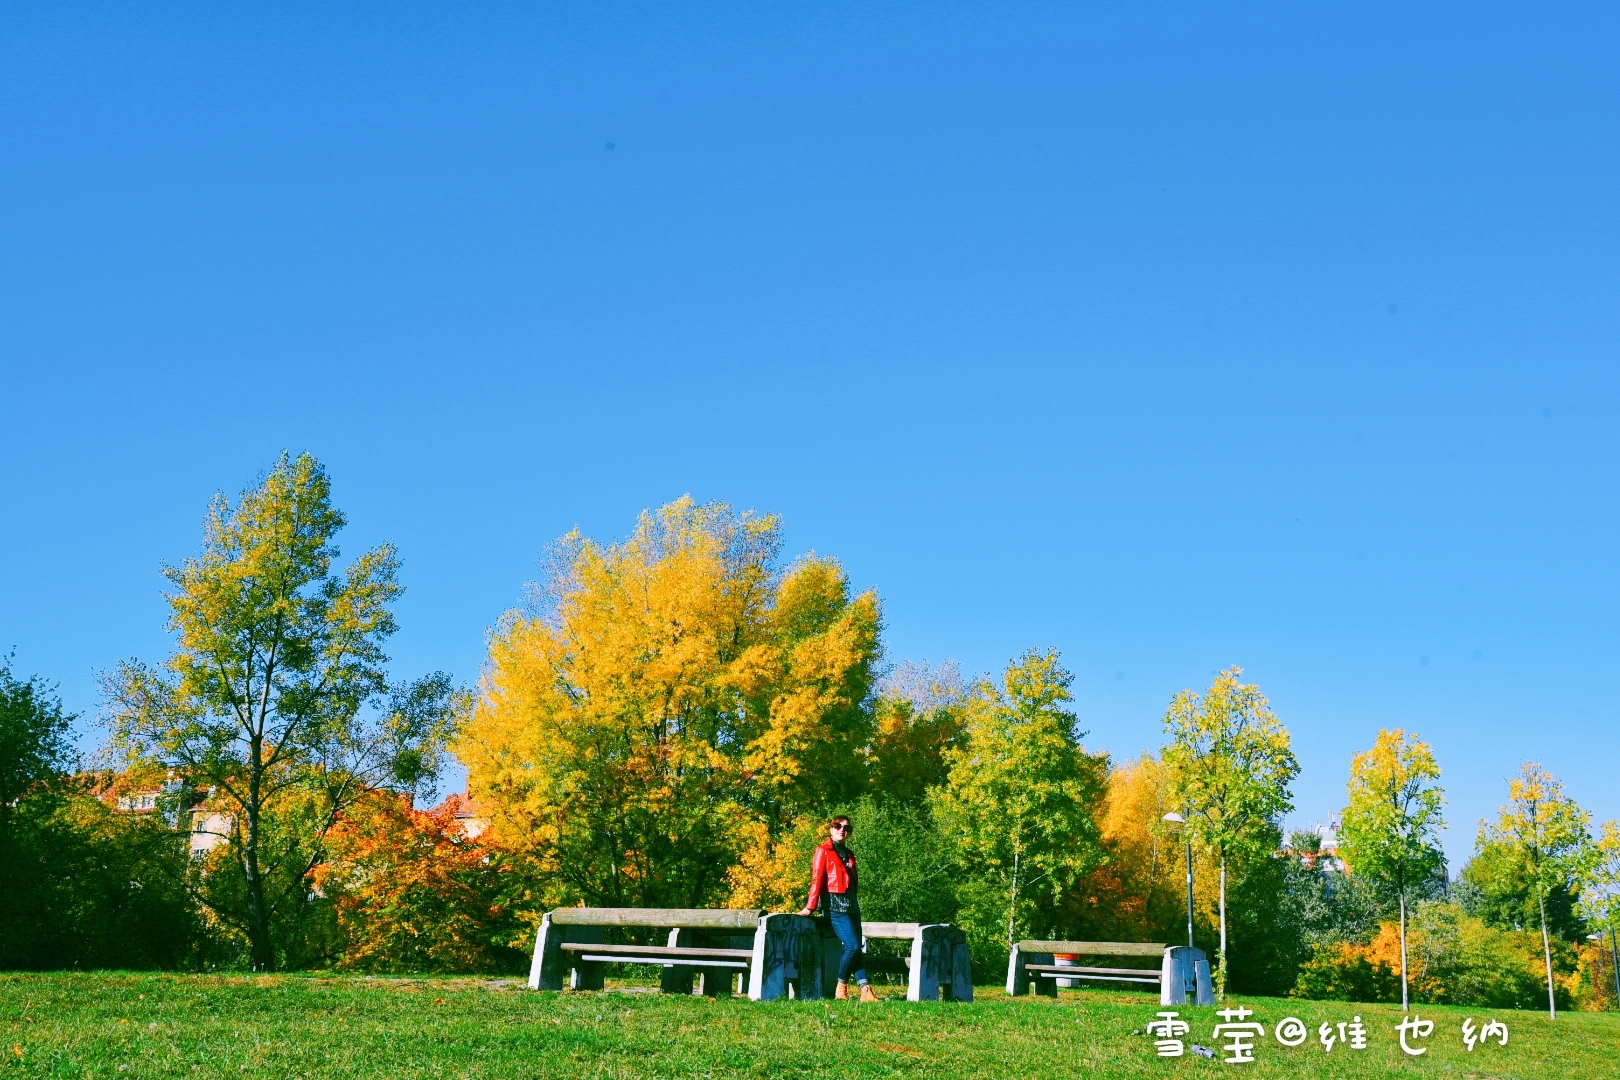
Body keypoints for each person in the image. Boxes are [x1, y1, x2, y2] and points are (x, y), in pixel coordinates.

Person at [798, 815, 877, 1002]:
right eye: (838, 826)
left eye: (846, 828)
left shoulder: (849, 854)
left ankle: (866, 991)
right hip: (834, 906)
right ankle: (840, 987)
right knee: (852, 946)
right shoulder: (823, 851)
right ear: (831, 829)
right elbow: (817, 879)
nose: (842, 830)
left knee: (857, 950)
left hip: (852, 907)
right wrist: (810, 907)